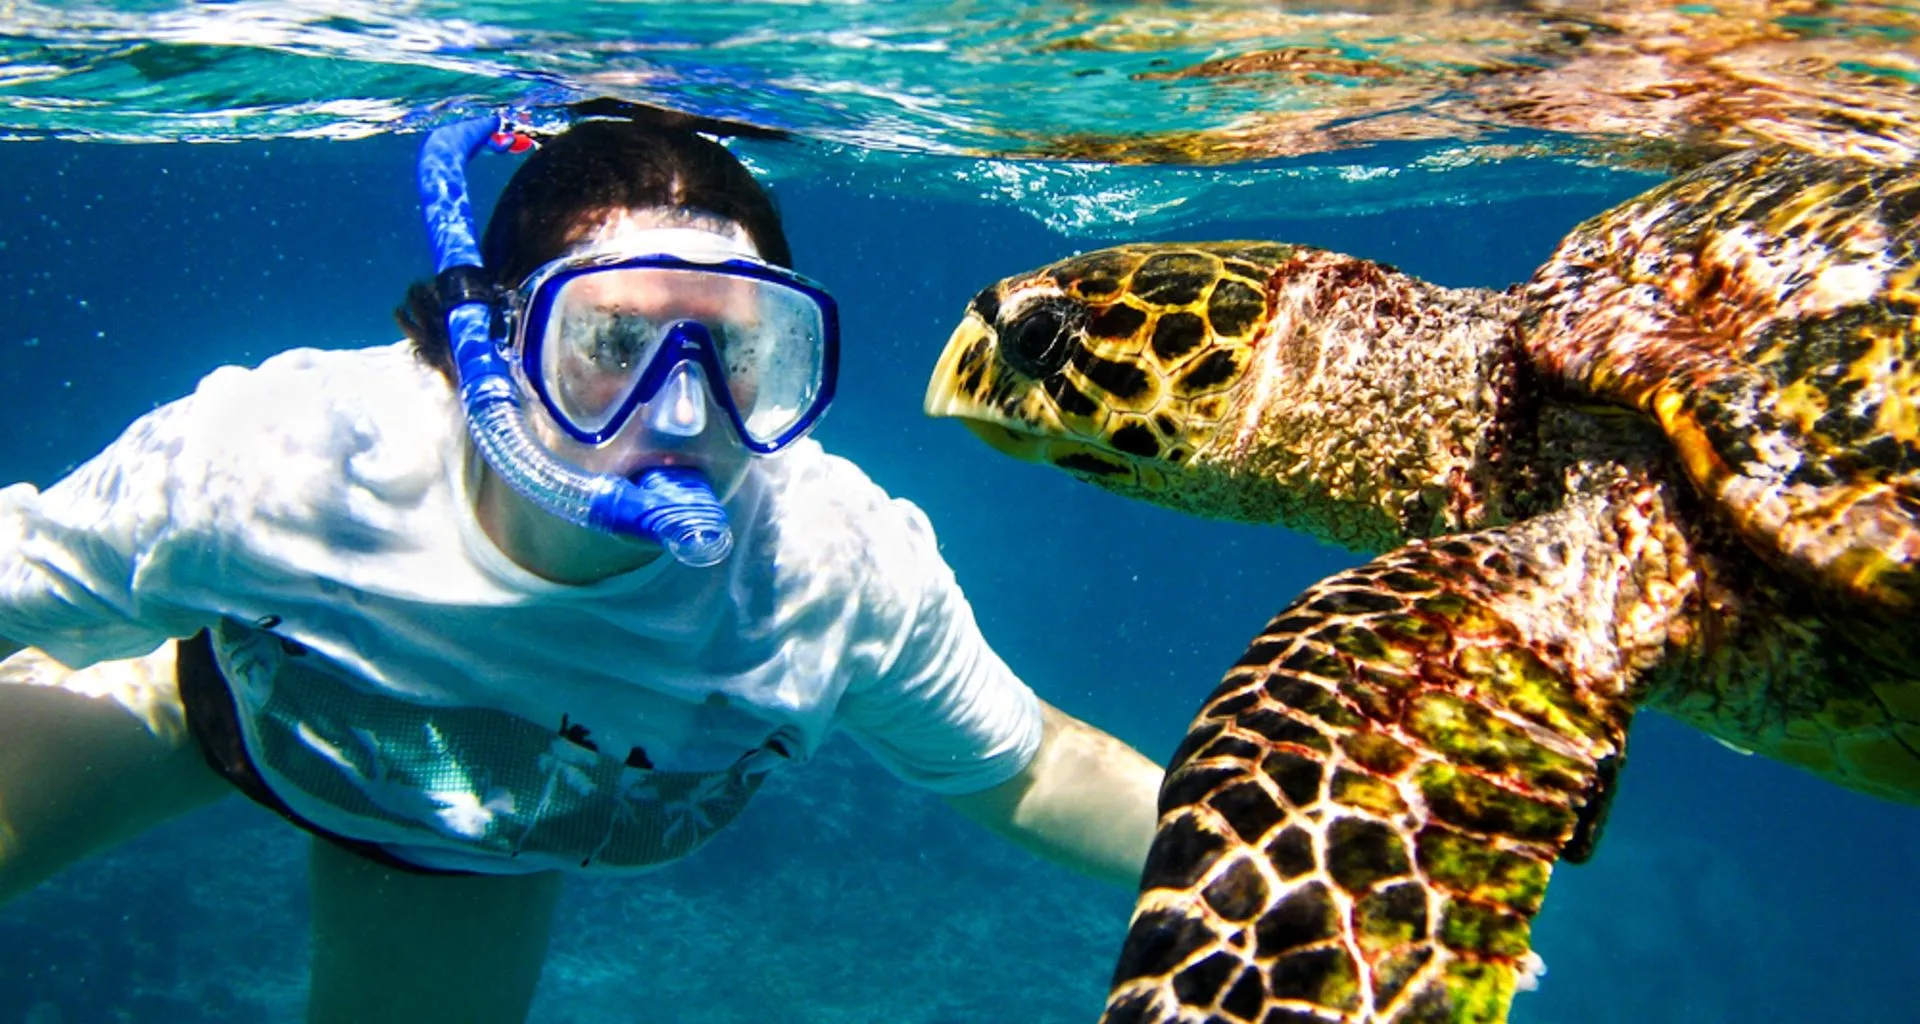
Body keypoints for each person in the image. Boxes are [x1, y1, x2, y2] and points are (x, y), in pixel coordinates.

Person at [0, 105, 1163, 1023]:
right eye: (611, 340)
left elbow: (1031, 767)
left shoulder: (832, 573)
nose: (684, 410)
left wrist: (1267, 868)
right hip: (209, 706)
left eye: (743, 349)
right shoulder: (287, 463)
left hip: (465, 861)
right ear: (479, 351)